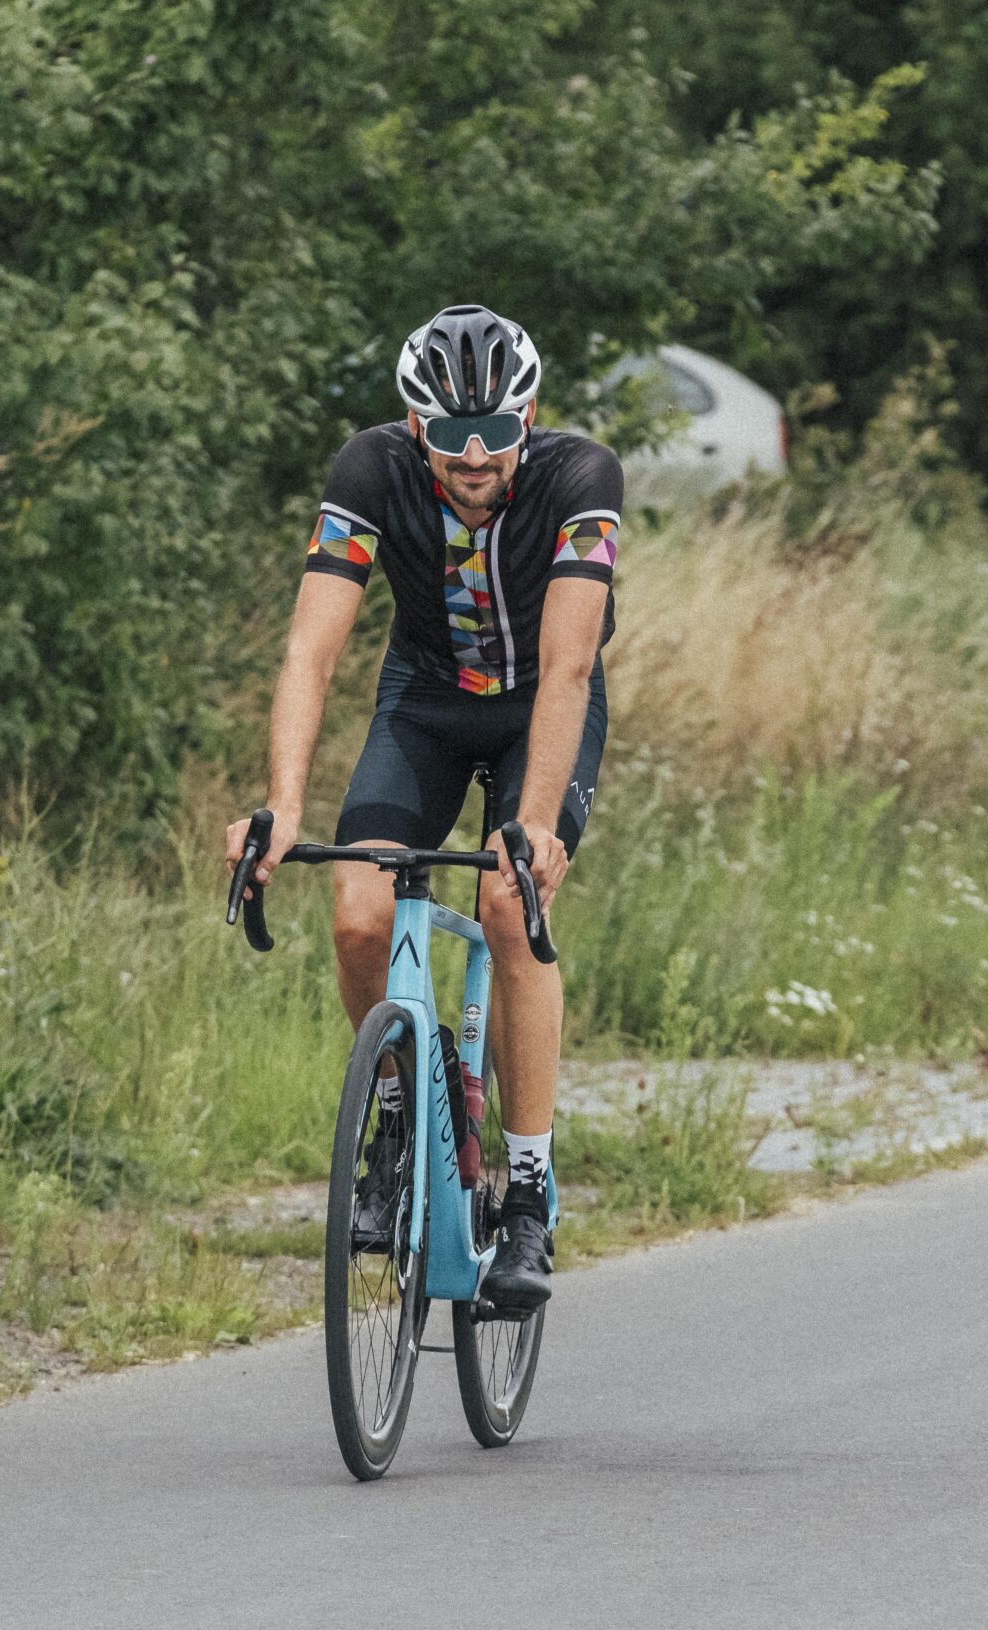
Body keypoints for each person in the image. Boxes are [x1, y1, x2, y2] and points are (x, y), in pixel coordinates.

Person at [224, 304, 618, 1318]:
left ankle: (526, 1193)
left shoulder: (581, 479)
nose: (474, 455)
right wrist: (281, 806)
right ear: (413, 425)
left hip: (541, 709)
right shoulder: (371, 471)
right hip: (426, 704)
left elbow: (570, 668)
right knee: (358, 912)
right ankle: (401, 1112)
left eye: (494, 430)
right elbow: (311, 650)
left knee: (506, 903)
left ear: (528, 416)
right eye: (450, 433)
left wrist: (535, 826)